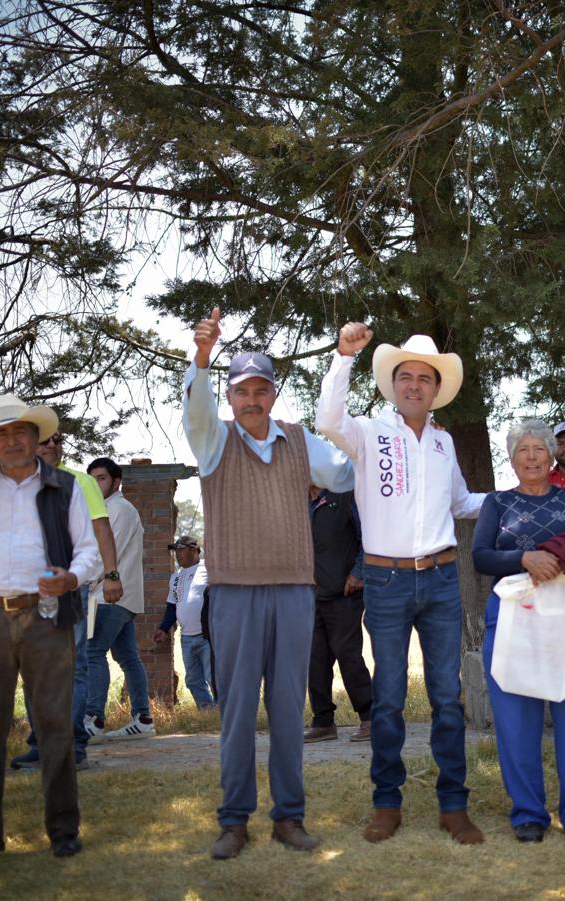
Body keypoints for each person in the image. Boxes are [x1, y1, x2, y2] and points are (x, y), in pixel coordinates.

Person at [184, 308, 354, 858]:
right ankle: (233, 821)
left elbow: (348, 472)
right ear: (229, 398)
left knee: (287, 709)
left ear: (274, 394)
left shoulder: (301, 442)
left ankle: (289, 818)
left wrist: (387, 444)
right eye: (242, 392)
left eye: (261, 390)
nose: (251, 400)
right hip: (233, 591)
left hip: (294, 592)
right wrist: (203, 360)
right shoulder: (214, 443)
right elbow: (195, 414)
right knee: (236, 710)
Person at [316, 323, 487, 845]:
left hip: (438, 580)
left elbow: (461, 504)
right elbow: (327, 418)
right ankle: (386, 802)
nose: (414, 385)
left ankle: (453, 805)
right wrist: (344, 356)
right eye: (405, 377)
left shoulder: (443, 443)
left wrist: (514, 499)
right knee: (388, 699)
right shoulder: (368, 432)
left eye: (424, 379)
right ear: (393, 385)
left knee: (447, 696)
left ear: (436, 390)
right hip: (386, 581)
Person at [0, 394, 100, 865]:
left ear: (37, 437)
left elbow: (88, 552)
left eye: (20, 432)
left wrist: (72, 578)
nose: (11, 440)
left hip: (47, 617)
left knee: (54, 726)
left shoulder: (65, 488)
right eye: (1, 433)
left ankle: (64, 831)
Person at [473, 419, 565, 844]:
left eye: (539, 449)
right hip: (515, 617)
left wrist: (563, 559)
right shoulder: (496, 503)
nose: (531, 457)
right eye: (522, 450)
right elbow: (481, 555)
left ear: (551, 456)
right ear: (512, 460)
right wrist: (526, 558)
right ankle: (528, 813)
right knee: (516, 720)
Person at [10, 429, 113, 770]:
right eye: (44, 439)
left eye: (58, 439)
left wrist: (111, 574)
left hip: (70, 585)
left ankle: (73, 747)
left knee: (74, 666)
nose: (53, 444)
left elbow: (101, 529)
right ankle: (41, 744)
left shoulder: (80, 482)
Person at [83, 457, 153, 740]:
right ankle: (143, 718)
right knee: (127, 656)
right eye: (92, 479)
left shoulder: (120, 509)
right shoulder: (103, 509)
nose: (96, 484)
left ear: (116, 481)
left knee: (92, 652)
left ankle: (94, 720)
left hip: (109, 595)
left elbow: (105, 556)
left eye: (101, 478)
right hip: (118, 597)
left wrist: (80, 580)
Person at [304, 486, 373, 743]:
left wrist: (358, 573)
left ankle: (369, 716)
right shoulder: (301, 502)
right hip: (311, 595)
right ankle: (323, 722)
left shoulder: (343, 495)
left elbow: (366, 537)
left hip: (344, 592)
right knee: (315, 659)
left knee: (348, 655)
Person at [154, 536, 214, 709]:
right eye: (175, 551)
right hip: (186, 638)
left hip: (208, 636)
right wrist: (164, 629)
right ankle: (207, 714)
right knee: (193, 680)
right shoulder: (176, 577)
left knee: (214, 678)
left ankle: (223, 715)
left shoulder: (209, 569)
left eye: (181, 549)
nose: (177, 554)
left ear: (194, 549)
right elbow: (172, 606)